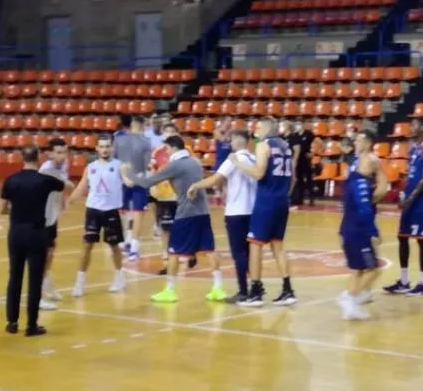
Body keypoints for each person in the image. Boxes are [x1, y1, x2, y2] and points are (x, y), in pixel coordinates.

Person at [122, 135, 226, 303]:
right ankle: (218, 287)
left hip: (185, 214)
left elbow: (148, 183)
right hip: (203, 212)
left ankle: (169, 290)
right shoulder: (195, 162)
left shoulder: (175, 165)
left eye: (167, 149)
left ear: (174, 148)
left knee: (173, 252)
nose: (166, 152)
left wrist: (129, 174)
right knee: (209, 249)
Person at [0, 145, 73, 336]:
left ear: (21, 158)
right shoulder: (45, 180)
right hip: (37, 232)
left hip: (16, 232)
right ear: (38, 158)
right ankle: (31, 325)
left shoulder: (11, 180)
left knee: (14, 276)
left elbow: (3, 208)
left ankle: (12, 322)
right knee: (34, 279)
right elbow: (66, 186)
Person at [229, 117, 297, 307]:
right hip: (282, 200)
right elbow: (293, 178)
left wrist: (237, 163)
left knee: (255, 244)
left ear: (267, 128)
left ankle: (255, 292)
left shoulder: (263, 145)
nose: (255, 130)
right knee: (278, 245)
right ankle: (287, 290)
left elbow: (259, 173)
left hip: (266, 201)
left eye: (258, 127)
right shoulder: (285, 146)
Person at [187, 129, 257, 303]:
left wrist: (196, 185)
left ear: (237, 140)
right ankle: (255, 289)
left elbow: (216, 179)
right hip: (252, 212)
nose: (230, 143)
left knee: (239, 253)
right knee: (250, 253)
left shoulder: (234, 159)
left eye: (232, 139)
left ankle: (243, 291)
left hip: (236, 212)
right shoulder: (253, 159)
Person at [67, 135, 127, 297]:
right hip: (93, 210)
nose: (105, 149)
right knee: (87, 245)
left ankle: (120, 278)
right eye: (102, 146)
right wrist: (70, 199)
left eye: (107, 146)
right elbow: (81, 187)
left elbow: (129, 182)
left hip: (111, 210)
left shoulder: (119, 165)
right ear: (96, 148)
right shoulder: (91, 167)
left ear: (112, 148)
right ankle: (79, 282)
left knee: (114, 246)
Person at [338, 130, 388, 320]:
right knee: (373, 269)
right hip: (359, 227)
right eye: (356, 140)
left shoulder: (356, 169)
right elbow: (364, 207)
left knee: (358, 269)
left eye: (359, 140)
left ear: (368, 143)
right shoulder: (360, 180)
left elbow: (380, 189)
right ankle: (350, 297)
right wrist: (373, 231)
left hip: (348, 225)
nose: (356, 143)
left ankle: (353, 301)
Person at [384, 118, 423, 296]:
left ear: (422, 128)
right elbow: (413, 176)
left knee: (421, 240)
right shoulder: (414, 148)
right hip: (411, 198)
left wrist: (412, 197)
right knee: (402, 236)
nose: (410, 129)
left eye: (414, 126)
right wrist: (403, 194)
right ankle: (404, 281)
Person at [114, 115, 153, 261]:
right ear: (142, 126)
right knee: (137, 212)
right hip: (137, 179)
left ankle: (128, 241)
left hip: (125, 180)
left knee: (126, 211)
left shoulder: (119, 139)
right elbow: (146, 165)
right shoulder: (145, 141)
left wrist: (125, 177)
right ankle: (133, 245)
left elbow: (115, 161)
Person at [39, 137, 70, 308]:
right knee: (43, 254)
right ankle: (40, 294)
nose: (63, 156)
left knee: (51, 250)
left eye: (64, 152)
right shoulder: (46, 170)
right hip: (43, 217)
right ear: (50, 154)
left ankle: (47, 285)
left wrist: (63, 202)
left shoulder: (64, 165)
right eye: (58, 153)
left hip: (53, 215)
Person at [149, 122, 180, 273]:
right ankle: (167, 258)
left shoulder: (185, 151)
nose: (168, 134)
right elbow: (152, 170)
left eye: (171, 132)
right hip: (164, 196)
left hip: (180, 195)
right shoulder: (157, 152)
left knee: (182, 227)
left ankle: (187, 253)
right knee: (166, 228)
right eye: (166, 132)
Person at [292, 120, 315, 206]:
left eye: (299, 124)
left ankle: (311, 198)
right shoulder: (295, 135)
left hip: (306, 158)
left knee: (309, 179)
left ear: (302, 125)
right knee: (299, 179)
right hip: (298, 159)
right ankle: (300, 198)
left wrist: (312, 152)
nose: (298, 125)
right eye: (296, 124)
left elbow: (315, 143)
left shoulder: (309, 134)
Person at [281, 120, 302, 207]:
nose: (282, 127)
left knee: (293, 179)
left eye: (284, 125)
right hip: (282, 160)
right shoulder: (281, 137)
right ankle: (283, 195)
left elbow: (297, 150)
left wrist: (294, 160)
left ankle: (289, 195)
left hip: (290, 160)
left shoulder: (293, 137)